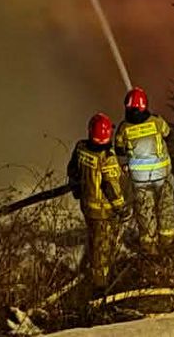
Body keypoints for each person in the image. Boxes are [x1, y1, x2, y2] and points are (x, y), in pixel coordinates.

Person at [66, 111, 127, 291]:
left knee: (94, 239)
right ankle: (100, 285)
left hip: (87, 207)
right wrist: (121, 208)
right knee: (103, 248)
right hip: (104, 211)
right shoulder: (107, 157)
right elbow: (111, 187)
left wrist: (77, 190)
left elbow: (72, 170)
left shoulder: (81, 148)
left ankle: (95, 272)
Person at [114, 86, 174, 254]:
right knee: (165, 207)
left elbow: (119, 150)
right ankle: (168, 243)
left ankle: (149, 246)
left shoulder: (123, 128)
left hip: (139, 180)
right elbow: (169, 135)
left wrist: (125, 163)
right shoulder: (157, 121)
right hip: (162, 176)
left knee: (144, 210)